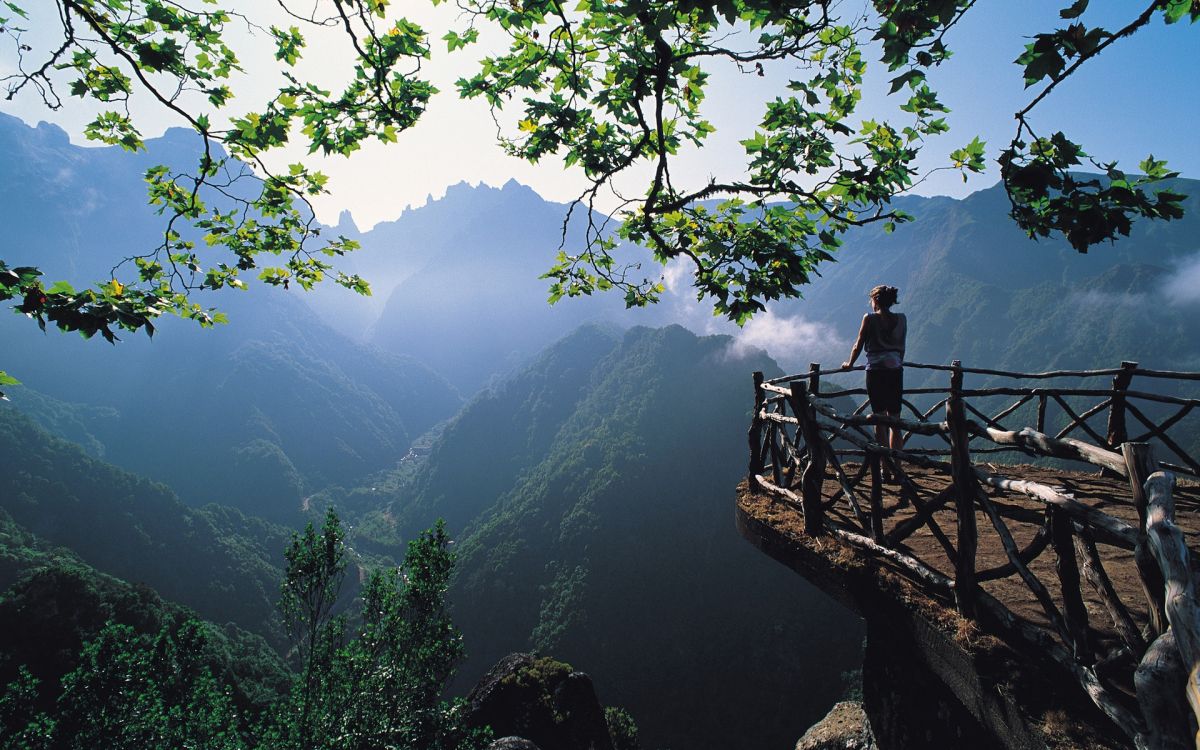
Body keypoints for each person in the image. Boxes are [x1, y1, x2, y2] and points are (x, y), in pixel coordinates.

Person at [842, 285, 906, 454]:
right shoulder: (902, 319)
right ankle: (898, 466)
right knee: (895, 421)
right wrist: (898, 363)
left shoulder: (869, 318)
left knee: (879, 419)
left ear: (875, 300)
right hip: (895, 370)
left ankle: (885, 468)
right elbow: (902, 348)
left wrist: (849, 364)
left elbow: (858, 344)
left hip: (876, 372)